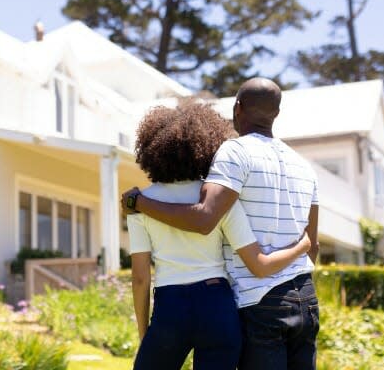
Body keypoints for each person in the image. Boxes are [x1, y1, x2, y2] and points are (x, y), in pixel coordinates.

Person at [122, 78, 321, 370]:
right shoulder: (304, 166)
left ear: (237, 108)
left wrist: (138, 203)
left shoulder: (234, 155)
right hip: (299, 298)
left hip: (254, 301)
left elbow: (203, 218)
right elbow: (312, 245)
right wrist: (300, 253)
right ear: (276, 113)